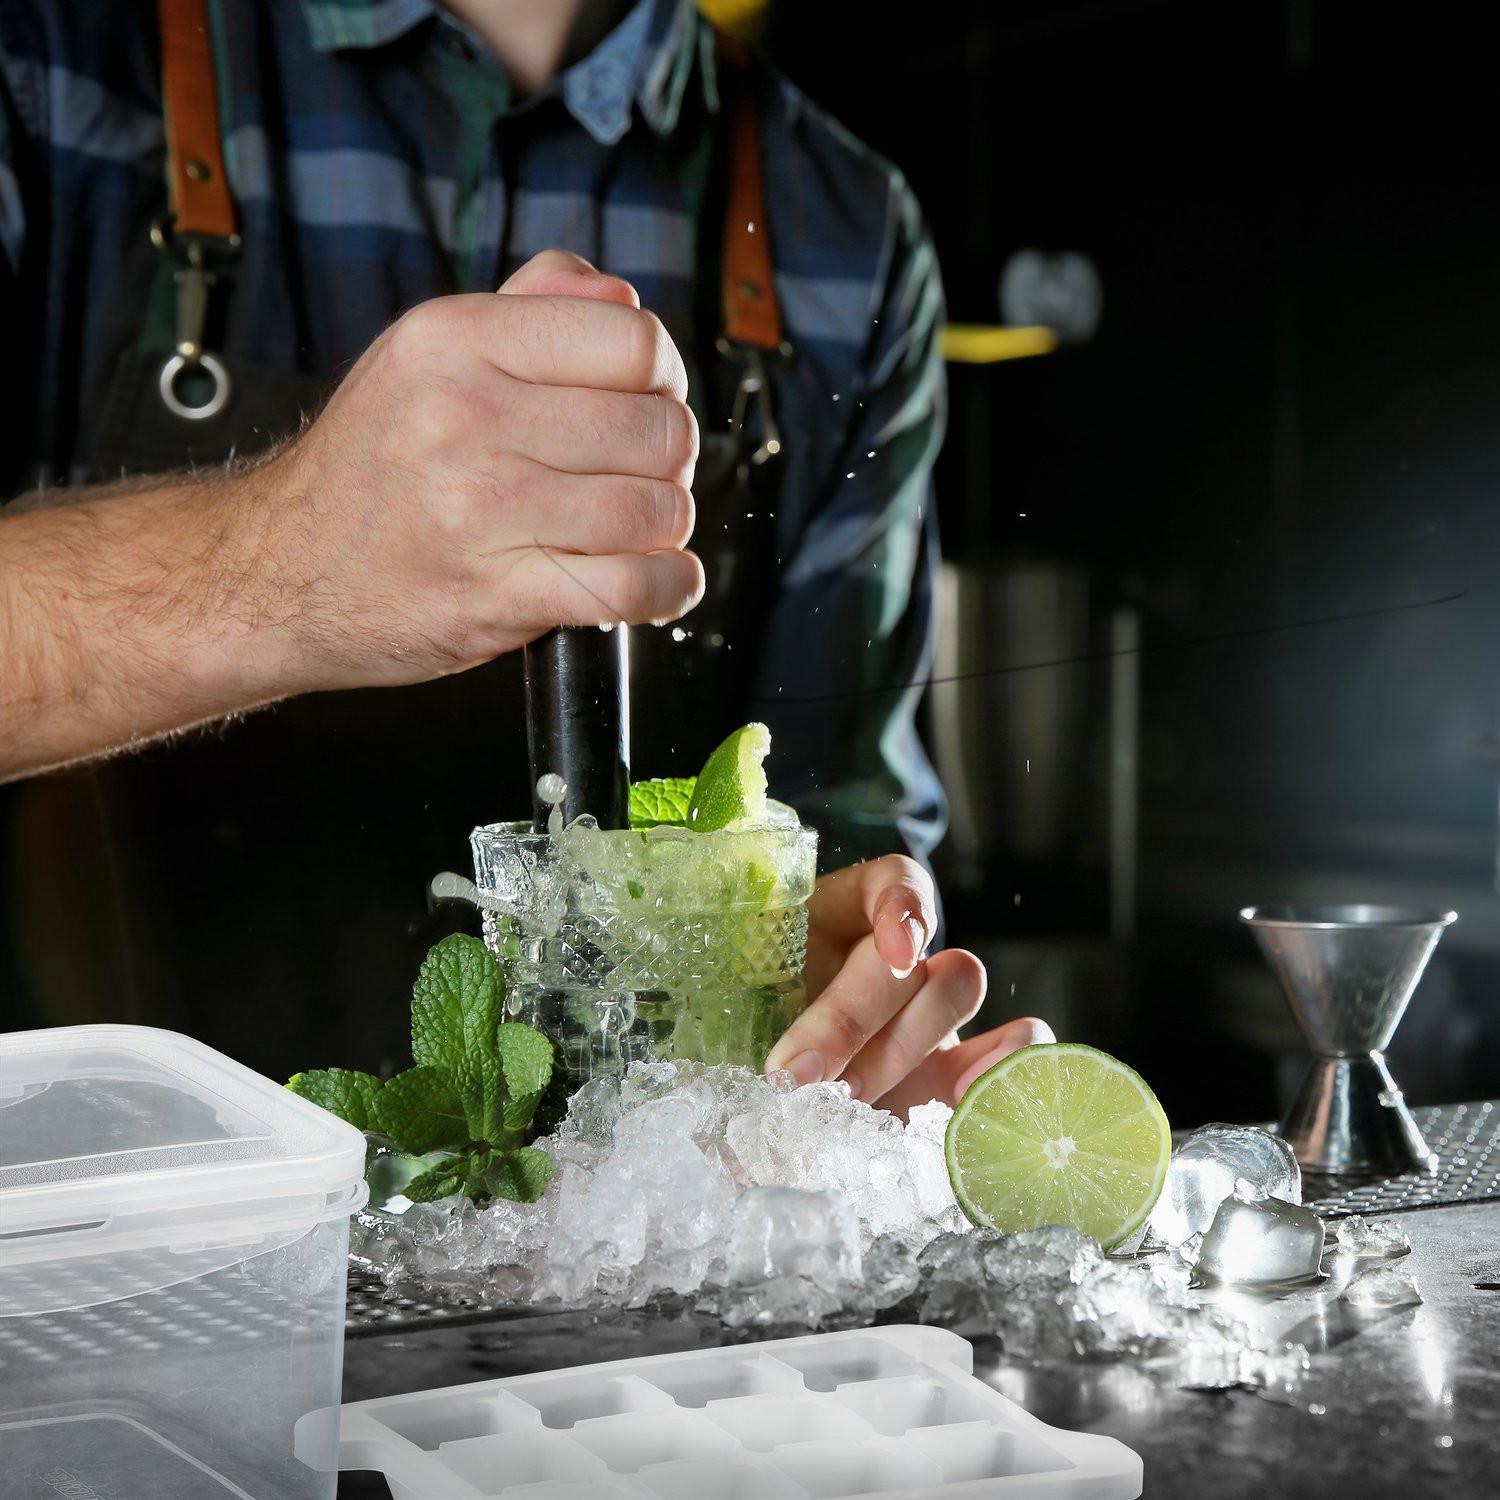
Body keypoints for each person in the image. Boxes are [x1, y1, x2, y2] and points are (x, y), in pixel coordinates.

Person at [0, 0, 1051, 1110]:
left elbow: (833, 811)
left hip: (608, 1246)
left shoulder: (848, 231)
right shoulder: (50, 66)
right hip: (99, 1220)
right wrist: (276, 562)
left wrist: (840, 985)